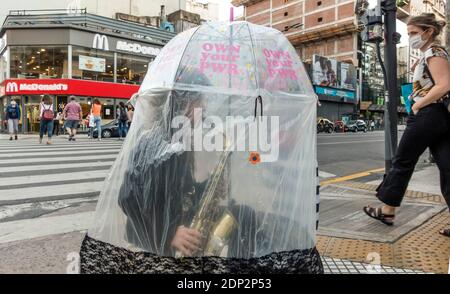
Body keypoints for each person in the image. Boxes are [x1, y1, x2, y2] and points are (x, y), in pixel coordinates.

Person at [363, 13, 450, 238]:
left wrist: (418, 104)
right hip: (440, 117)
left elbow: (444, 85)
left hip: (428, 114)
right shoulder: (430, 54)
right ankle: (388, 210)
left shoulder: (434, 51)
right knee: (448, 168)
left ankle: (388, 211)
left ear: (428, 32)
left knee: (402, 161)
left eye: (413, 33)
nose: (410, 37)